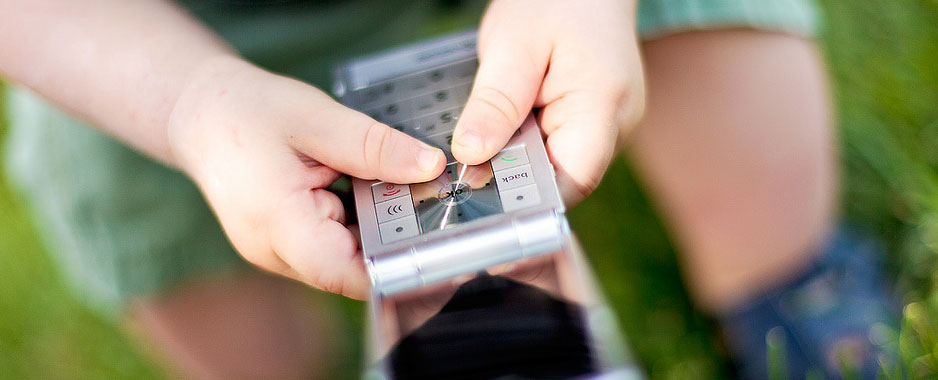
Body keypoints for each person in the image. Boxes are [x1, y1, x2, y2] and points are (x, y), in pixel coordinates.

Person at [0, 0, 896, 379]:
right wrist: (189, 103)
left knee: (761, 185)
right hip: (160, 37)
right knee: (233, 341)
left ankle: (785, 282)